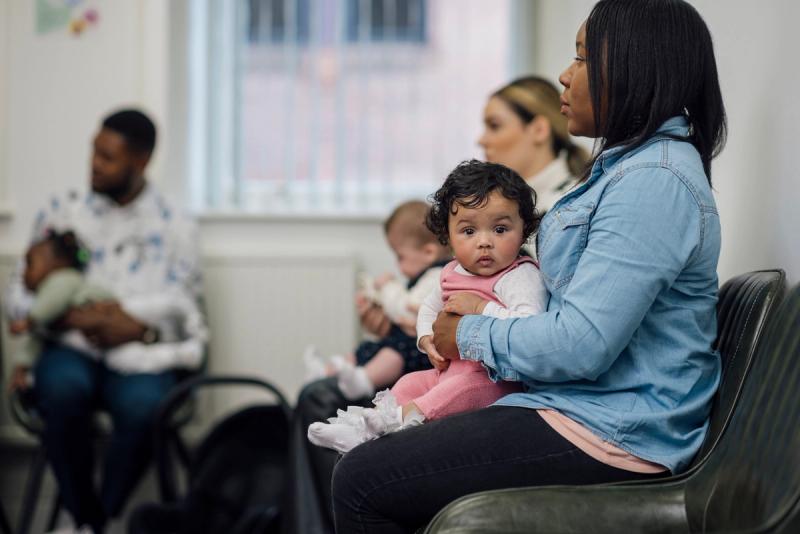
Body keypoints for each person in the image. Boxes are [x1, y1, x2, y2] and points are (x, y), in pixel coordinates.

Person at [331, 0, 727, 531]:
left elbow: (579, 343)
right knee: (369, 449)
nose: (565, 76)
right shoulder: (629, 171)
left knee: (362, 480)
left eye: (583, 59)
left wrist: (465, 334)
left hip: (612, 428)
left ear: (634, 66)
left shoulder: (653, 182)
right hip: (580, 408)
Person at [5, 109, 207, 533]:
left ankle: (102, 515)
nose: (94, 164)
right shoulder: (63, 211)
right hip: (69, 347)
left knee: (145, 408)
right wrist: (71, 317)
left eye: (108, 157)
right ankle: (83, 515)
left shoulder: (176, 226)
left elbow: (186, 316)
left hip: (140, 352)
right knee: (61, 391)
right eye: (93, 152)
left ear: (142, 161)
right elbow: (19, 299)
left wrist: (142, 329)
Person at [307, 160, 547, 454]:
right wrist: (425, 339)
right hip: (449, 370)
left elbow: (530, 327)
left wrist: (482, 307)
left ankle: (389, 424)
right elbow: (428, 309)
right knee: (410, 382)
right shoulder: (451, 272)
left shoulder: (519, 275)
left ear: (524, 229)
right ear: (448, 234)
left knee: (455, 390)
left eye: (499, 229)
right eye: (469, 231)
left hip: (494, 381)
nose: (484, 242)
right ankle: (364, 429)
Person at [281, 200, 449, 532]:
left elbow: (412, 314)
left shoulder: (439, 275)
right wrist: (384, 325)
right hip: (416, 350)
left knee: (318, 397)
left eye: (400, 257)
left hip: (425, 363)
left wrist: (386, 292)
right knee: (322, 387)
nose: (399, 267)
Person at [479, 75, 589, 213]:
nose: (481, 140)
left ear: (539, 130)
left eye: (494, 126)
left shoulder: (574, 207)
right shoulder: (498, 203)